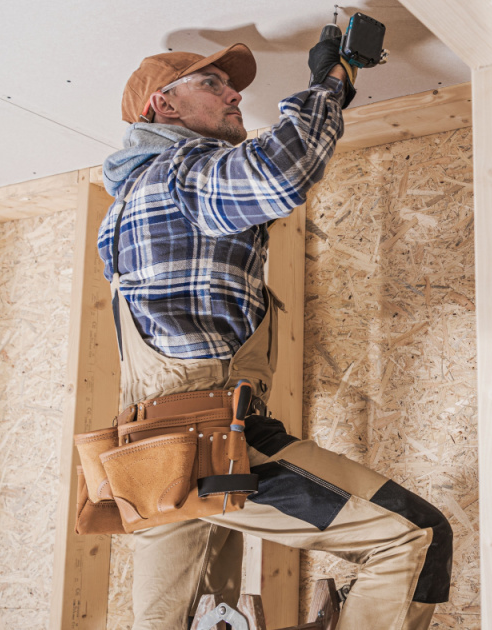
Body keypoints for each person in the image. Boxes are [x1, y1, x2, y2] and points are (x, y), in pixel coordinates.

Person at [97, 40, 452, 630]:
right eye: (212, 85)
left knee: (183, 623)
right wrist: (330, 81)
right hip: (209, 436)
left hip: (154, 456)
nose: (236, 94)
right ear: (164, 106)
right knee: (412, 537)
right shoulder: (178, 174)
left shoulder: (130, 202)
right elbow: (278, 172)